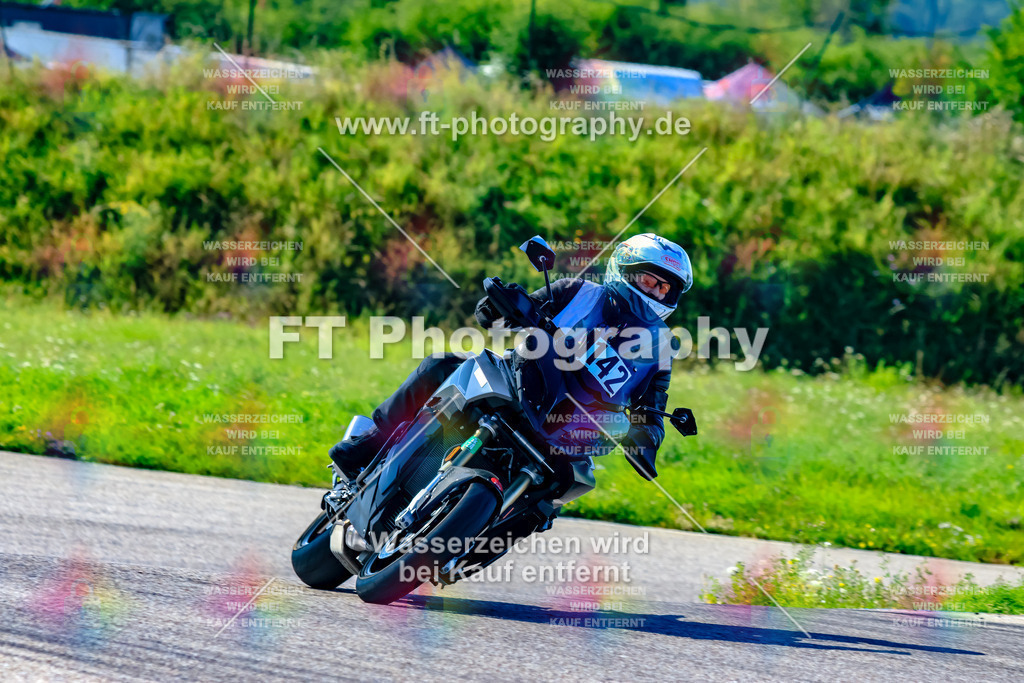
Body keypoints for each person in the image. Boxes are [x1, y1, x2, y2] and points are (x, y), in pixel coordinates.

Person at [330, 233, 692, 481]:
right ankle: (368, 446)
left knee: (559, 495)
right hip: (519, 382)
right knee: (439, 365)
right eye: (650, 280)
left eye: (665, 287)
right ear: (625, 271)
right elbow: (503, 317)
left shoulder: (658, 350)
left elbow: (652, 408)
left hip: (571, 431)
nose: (657, 292)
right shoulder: (577, 292)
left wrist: (645, 440)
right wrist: (499, 307)